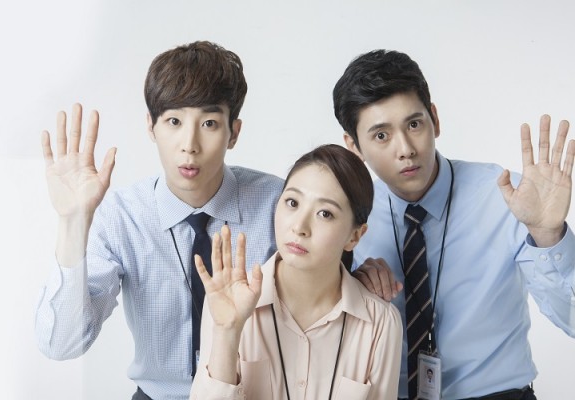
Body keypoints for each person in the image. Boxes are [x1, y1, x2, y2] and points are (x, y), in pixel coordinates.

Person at [35, 41, 283, 400]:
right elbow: (61, 345)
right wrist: (73, 223)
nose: (190, 144)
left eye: (210, 123)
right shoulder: (122, 215)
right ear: (151, 126)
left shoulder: (277, 203)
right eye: (174, 121)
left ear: (234, 132)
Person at [332, 49, 575, 400]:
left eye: (414, 124)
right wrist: (350, 290)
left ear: (435, 119)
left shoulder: (508, 197)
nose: (405, 149)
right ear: (354, 147)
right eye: (381, 136)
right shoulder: (345, 216)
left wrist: (548, 235)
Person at [189, 144, 403, 400]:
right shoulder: (231, 302)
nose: (300, 226)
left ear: (354, 236)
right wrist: (227, 332)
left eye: (325, 213)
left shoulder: (380, 323)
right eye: (292, 202)